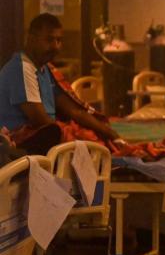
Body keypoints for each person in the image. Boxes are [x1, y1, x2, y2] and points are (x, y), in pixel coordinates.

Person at [0, 13, 119, 154]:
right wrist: (72, 135)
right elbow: (40, 120)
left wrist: (109, 132)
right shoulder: (21, 68)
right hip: (20, 142)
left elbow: (74, 111)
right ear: (31, 39)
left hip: (49, 133)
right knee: (78, 140)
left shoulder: (46, 69)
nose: (56, 46)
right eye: (49, 40)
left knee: (98, 136)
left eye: (59, 40)